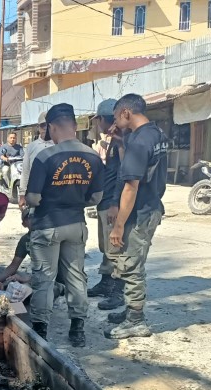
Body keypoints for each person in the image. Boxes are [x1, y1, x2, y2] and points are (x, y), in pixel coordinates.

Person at [24, 103, 104, 347]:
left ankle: (41, 330)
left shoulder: (45, 156)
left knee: (44, 278)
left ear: (52, 127)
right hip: (76, 224)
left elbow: (32, 198)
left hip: (48, 224)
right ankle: (77, 329)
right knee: (76, 276)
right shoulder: (93, 156)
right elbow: (95, 198)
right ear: (74, 125)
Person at [105, 93, 168, 339]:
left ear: (126, 113)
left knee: (131, 265)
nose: (114, 122)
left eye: (115, 117)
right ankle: (132, 308)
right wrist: (121, 144)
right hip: (151, 205)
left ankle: (136, 320)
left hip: (140, 211)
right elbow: (135, 166)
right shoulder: (156, 134)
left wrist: (118, 225)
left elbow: (131, 186)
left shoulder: (140, 142)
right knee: (133, 262)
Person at [88, 99, 126, 310]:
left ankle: (117, 291)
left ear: (103, 119)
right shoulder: (111, 139)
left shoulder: (122, 140)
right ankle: (105, 282)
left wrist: (114, 203)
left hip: (113, 201)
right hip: (105, 200)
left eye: (97, 120)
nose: (97, 124)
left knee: (115, 249)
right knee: (105, 246)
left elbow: (124, 174)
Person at [19, 112, 52, 208]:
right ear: (38, 127)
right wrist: (22, 195)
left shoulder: (59, 145)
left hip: (53, 193)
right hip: (34, 193)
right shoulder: (31, 147)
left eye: (48, 125)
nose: (45, 128)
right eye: (43, 125)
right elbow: (26, 172)